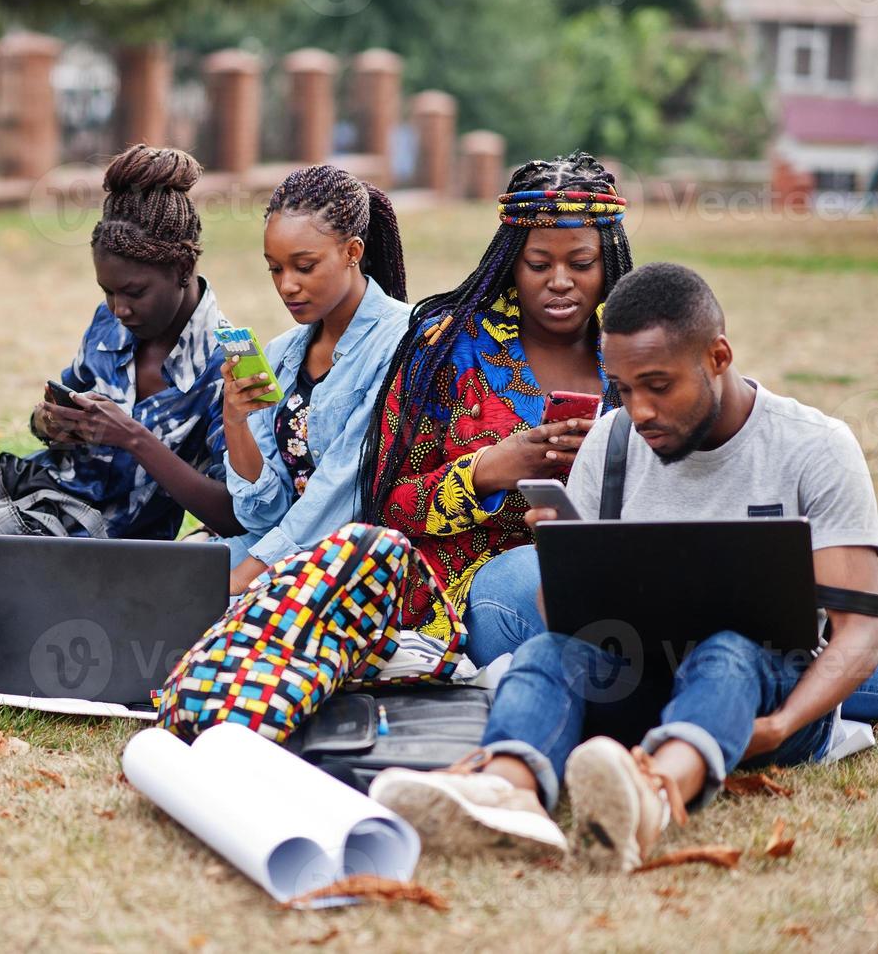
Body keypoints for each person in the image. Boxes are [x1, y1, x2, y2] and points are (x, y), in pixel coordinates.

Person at [369, 262, 878, 871]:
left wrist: (778, 727)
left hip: (765, 701)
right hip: (642, 680)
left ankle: (653, 794)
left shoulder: (813, 447)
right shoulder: (612, 444)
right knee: (544, 654)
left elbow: (859, 632)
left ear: (717, 356)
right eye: (624, 387)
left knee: (728, 650)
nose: (639, 411)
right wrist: (566, 558)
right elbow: (563, 623)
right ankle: (506, 792)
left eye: (659, 385)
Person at [156, 152, 634, 742]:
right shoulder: (453, 351)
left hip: (605, 569)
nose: (559, 281)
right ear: (513, 262)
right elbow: (390, 504)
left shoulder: (637, 358)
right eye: (539, 263)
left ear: (607, 262)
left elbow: (681, 476)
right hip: (468, 585)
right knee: (167, 598)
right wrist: (487, 470)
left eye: (580, 263)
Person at [0, 145, 241, 609]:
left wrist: (133, 438)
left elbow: (231, 512)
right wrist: (50, 423)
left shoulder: (228, 365)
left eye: (134, 293)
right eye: (108, 291)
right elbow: (54, 420)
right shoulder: (111, 324)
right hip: (26, 490)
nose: (120, 308)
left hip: (91, 539)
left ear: (182, 269)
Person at [220, 164, 411, 595]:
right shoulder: (282, 353)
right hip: (277, 548)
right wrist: (235, 423)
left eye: (304, 266)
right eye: (274, 269)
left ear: (352, 251)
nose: (287, 286)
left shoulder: (401, 341)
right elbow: (262, 514)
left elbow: (343, 491)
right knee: (161, 587)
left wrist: (245, 578)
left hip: (352, 563)